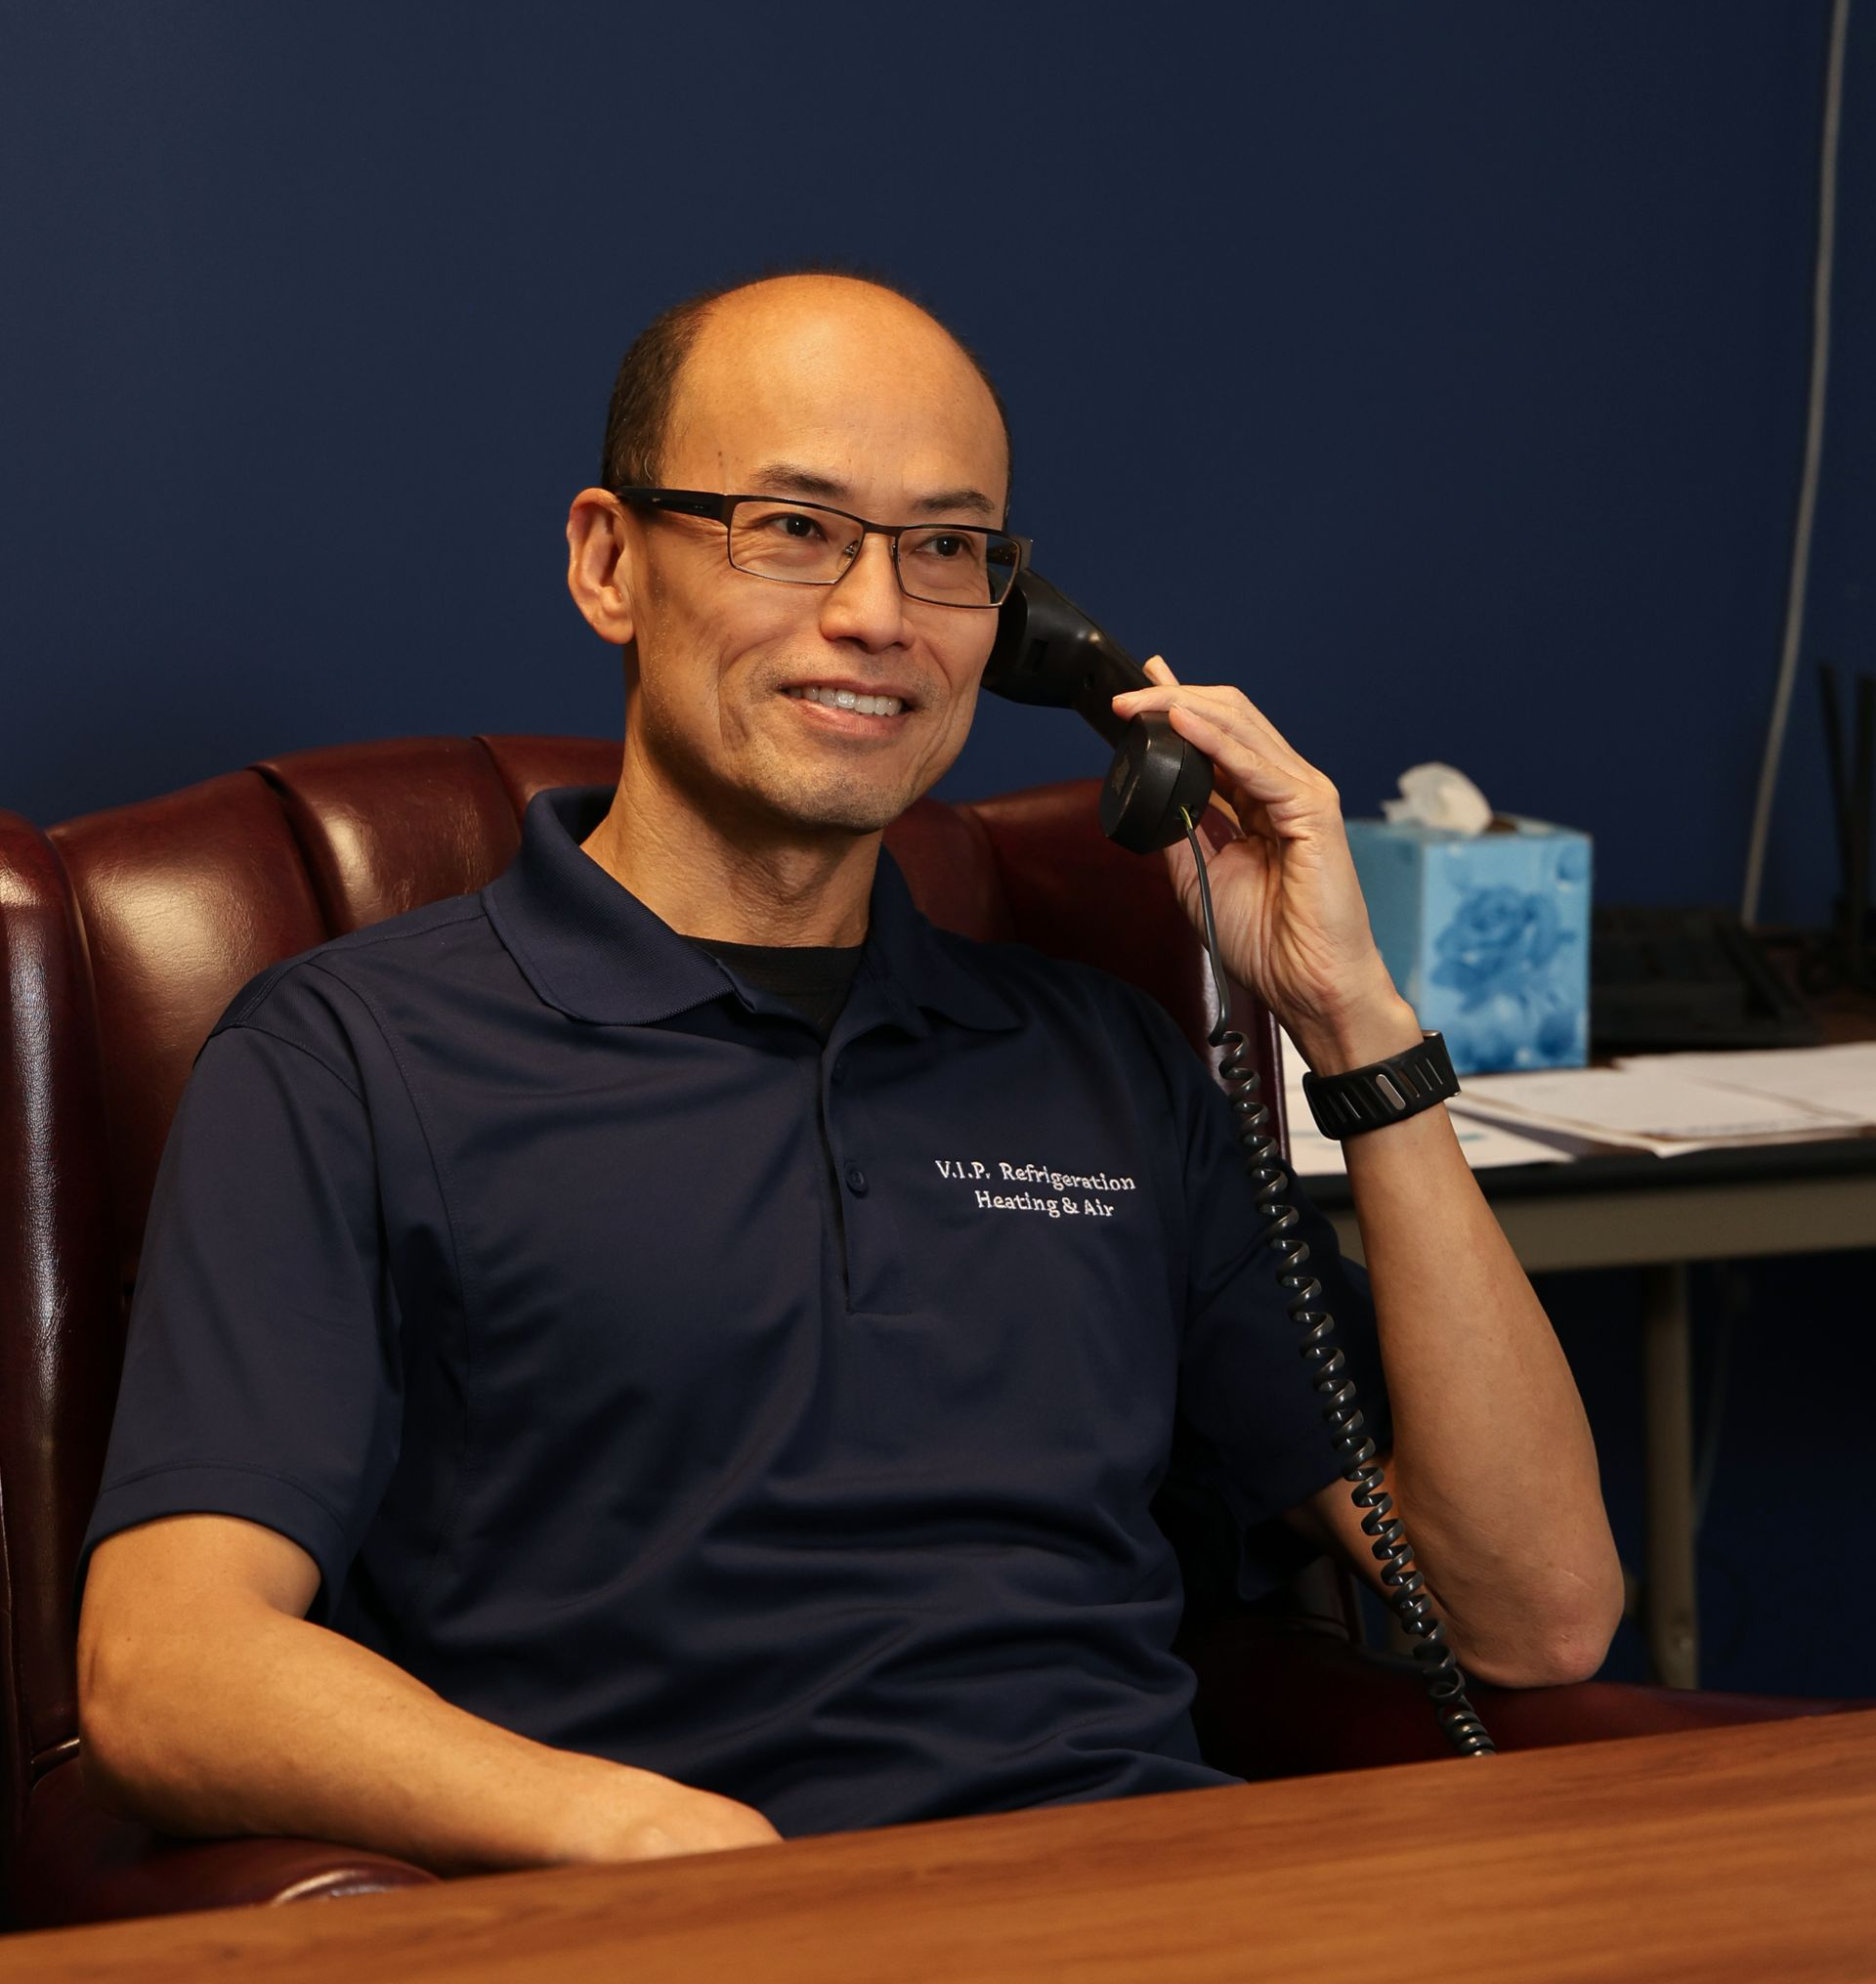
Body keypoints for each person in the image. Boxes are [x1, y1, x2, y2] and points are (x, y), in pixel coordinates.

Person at [75, 273, 1623, 1875]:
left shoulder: (1099, 1062)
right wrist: (633, 1831)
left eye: (948, 549)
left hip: (1157, 1909)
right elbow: (166, 1667)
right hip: (683, 1925)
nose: (880, 615)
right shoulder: (346, 1061)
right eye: (793, 527)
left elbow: (1537, 1609)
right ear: (610, 562)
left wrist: (1355, 1021)